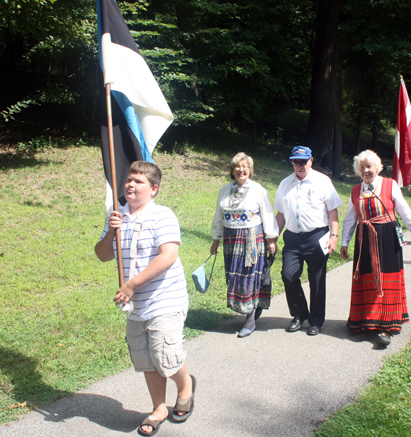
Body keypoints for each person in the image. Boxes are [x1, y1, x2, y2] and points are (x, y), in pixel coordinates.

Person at [95, 161, 195, 436]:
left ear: (153, 189)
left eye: (138, 181)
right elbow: (103, 254)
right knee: (146, 358)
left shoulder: (163, 215)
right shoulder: (117, 215)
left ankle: (185, 386)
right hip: (136, 304)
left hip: (166, 297)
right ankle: (159, 408)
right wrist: (110, 228)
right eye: (129, 179)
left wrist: (131, 285)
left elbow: (168, 256)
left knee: (166, 355)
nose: (129, 184)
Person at [340, 150, 411, 346]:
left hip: (387, 237)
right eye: (362, 167)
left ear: (377, 167)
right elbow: (350, 219)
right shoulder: (355, 191)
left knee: (386, 280)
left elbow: (404, 209)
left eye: (369, 166)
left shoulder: (389, 184)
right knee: (366, 277)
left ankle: (386, 326)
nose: (366, 170)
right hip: (364, 238)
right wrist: (345, 242)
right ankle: (363, 320)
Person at [274, 146, 343, 336]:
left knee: (317, 280)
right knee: (288, 275)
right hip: (293, 238)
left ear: (311, 161)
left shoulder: (322, 181)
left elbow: (332, 211)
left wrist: (334, 236)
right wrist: (272, 238)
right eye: (295, 162)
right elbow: (280, 214)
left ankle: (316, 321)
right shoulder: (285, 184)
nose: (299, 165)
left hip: (317, 237)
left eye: (303, 161)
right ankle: (299, 314)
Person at [211, 152, 279, 338]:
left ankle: (250, 320)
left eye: (245, 167)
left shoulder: (258, 190)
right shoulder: (224, 190)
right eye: (237, 167)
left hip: (252, 239)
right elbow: (219, 215)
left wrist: (271, 239)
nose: (241, 170)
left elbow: (267, 214)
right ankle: (250, 308)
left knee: (249, 276)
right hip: (231, 239)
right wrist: (216, 239)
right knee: (235, 277)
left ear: (250, 170)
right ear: (232, 170)